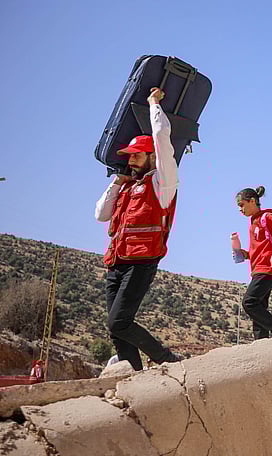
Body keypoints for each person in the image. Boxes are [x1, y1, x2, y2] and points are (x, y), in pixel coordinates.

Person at [95, 87, 181, 371]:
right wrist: (116, 182)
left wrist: (154, 105)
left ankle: (165, 358)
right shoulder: (126, 187)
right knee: (116, 329)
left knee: (118, 321)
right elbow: (100, 215)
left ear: (150, 157)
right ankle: (134, 374)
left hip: (142, 261)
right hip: (116, 262)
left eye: (136, 155)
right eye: (129, 156)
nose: (130, 159)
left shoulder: (162, 183)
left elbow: (162, 140)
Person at [233, 186, 272, 340]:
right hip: (258, 268)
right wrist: (246, 254)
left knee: (249, 302)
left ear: (252, 201)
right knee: (259, 306)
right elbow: (261, 247)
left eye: (242, 205)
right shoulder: (253, 221)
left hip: (268, 268)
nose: (240, 209)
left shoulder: (267, 217)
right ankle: (262, 343)